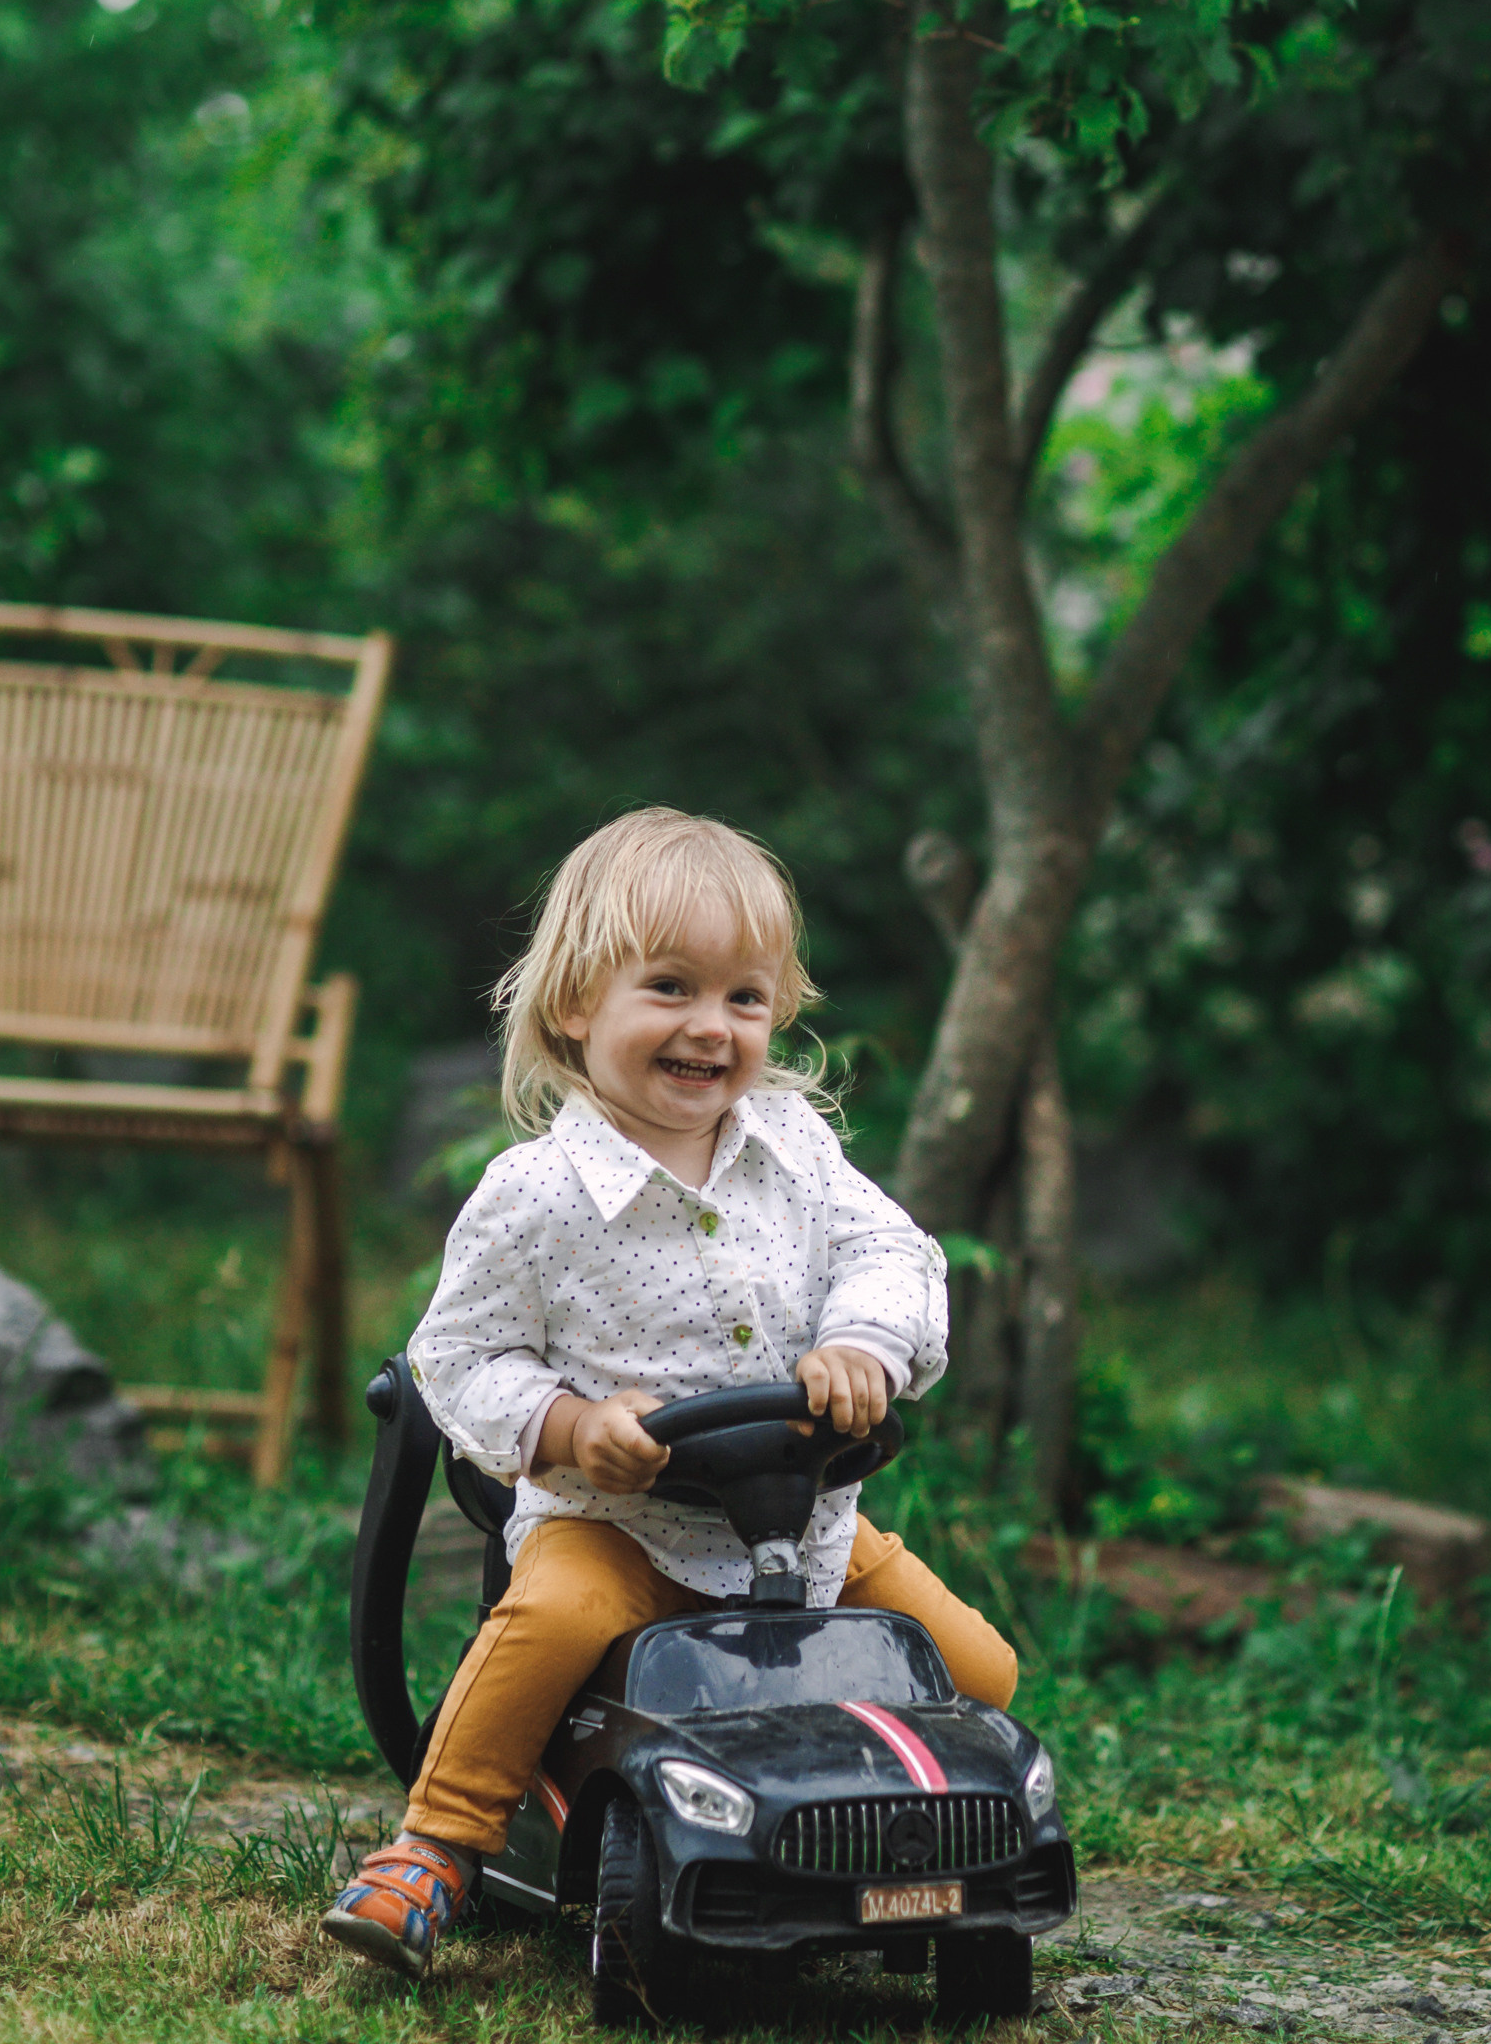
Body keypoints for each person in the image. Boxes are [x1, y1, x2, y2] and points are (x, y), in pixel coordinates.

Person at [322, 805, 1016, 1982]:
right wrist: (574, 1429)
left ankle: (892, 1854)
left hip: (803, 1526)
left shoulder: (794, 1148)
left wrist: (862, 1341)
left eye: (743, 999)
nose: (711, 1027)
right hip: (618, 1526)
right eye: (671, 988)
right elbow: (459, 1360)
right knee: (550, 1623)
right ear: (576, 1006)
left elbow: (895, 1256)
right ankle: (435, 1849)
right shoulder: (532, 1196)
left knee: (979, 1674)